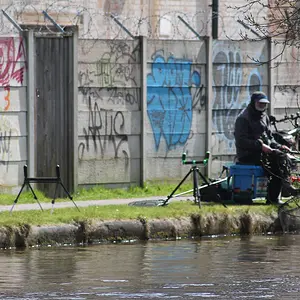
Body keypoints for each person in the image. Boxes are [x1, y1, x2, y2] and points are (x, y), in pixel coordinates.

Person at [234, 91, 299, 204]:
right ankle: (284, 189)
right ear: (253, 102)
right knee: (278, 161)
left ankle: (275, 196)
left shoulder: (265, 117)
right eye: (260, 103)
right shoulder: (243, 118)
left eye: (264, 104)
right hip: (248, 154)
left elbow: (270, 138)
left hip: (264, 151)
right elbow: (241, 141)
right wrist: (260, 146)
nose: (262, 106)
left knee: (282, 157)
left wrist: (279, 146)